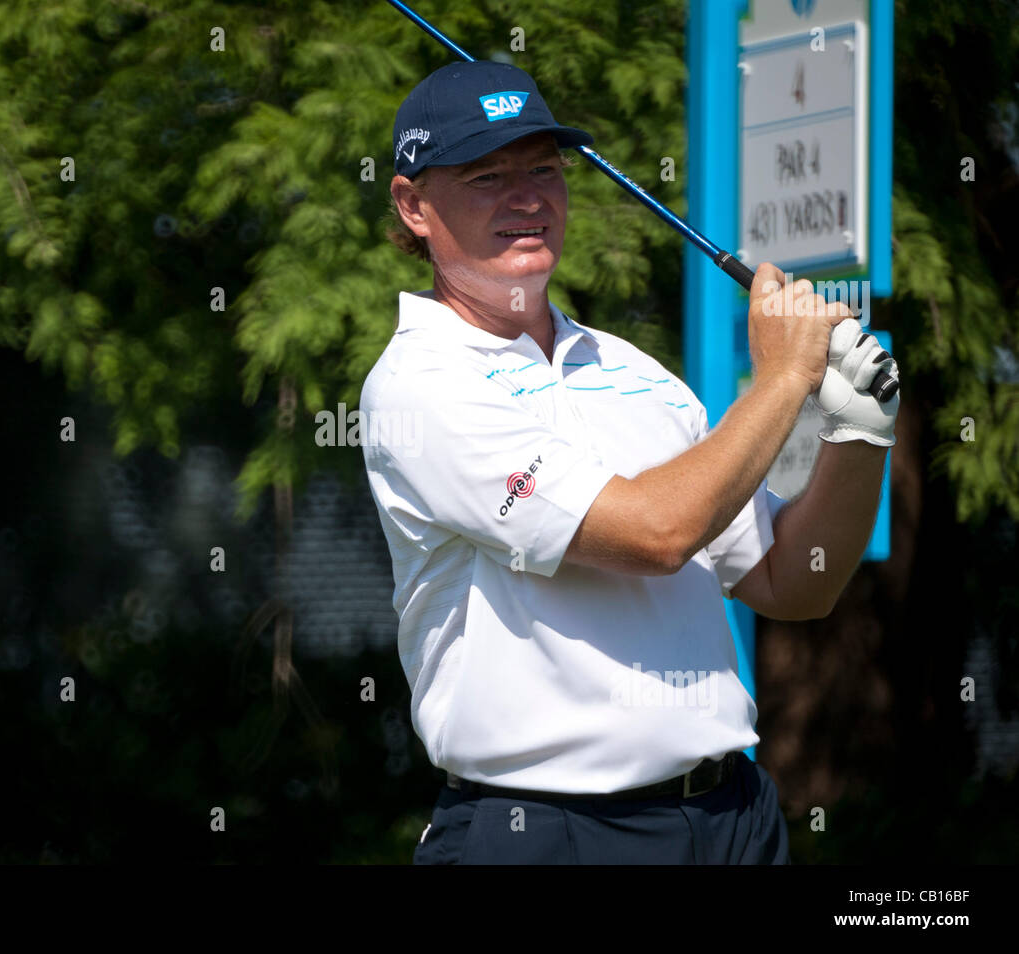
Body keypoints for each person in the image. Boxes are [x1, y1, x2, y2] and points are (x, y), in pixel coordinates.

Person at [359, 60, 899, 864]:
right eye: (486, 176)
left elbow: (797, 581)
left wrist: (860, 432)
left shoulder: (636, 372)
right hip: (545, 832)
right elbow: (659, 533)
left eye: (543, 168)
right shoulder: (417, 384)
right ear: (413, 205)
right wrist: (784, 377)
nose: (527, 197)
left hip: (733, 820)